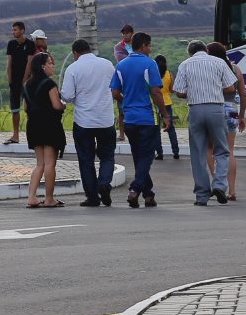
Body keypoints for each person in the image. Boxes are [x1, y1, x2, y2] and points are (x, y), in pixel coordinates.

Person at [173, 40, 239, 205]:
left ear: (191, 53)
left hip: (195, 110)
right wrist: (215, 88)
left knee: (198, 153)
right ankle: (218, 184)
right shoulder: (218, 62)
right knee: (222, 150)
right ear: (206, 51)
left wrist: (194, 90)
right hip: (216, 109)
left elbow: (179, 92)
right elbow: (231, 88)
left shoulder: (185, 64)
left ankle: (202, 195)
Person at [61, 38, 117, 208]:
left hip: (83, 121)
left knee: (86, 160)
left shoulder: (73, 68)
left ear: (75, 53)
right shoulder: (107, 64)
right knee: (107, 156)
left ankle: (92, 197)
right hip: (105, 120)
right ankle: (104, 184)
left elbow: (68, 96)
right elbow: (115, 88)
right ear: (89, 50)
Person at [111, 30, 162, 208]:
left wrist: (128, 102)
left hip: (130, 119)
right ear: (143, 46)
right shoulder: (150, 64)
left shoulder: (121, 65)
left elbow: (115, 93)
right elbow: (156, 91)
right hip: (149, 118)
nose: (150, 49)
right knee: (147, 156)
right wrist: (164, 113)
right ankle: (135, 190)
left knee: (139, 157)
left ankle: (148, 195)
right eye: (149, 46)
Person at [22, 51, 67, 208]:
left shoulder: (26, 85)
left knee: (39, 163)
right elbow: (56, 105)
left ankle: (32, 196)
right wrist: (64, 105)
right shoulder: (49, 84)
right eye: (50, 63)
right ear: (42, 66)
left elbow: (26, 107)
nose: (52, 66)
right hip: (50, 127)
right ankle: (49, 199)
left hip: (33, 126)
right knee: (50, 164)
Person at [208, 42, 246, 201]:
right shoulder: (236, 69)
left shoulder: (211, 68)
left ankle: (217, 184)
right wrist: (242, 116)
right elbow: (243, 95)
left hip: (215, 109)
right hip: (232, 109)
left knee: (209, 148)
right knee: (229, 150)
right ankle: (232, 191)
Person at [2, 21, 31, 145]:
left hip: (26, 81)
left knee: (30, 108)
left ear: (22, 30)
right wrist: (10, 79)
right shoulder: (11, 44)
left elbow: (30, 63)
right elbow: (9, 62)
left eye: (15, 30)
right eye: (12, 30)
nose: (13, 32)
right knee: (15, 109)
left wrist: (25, 80)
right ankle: (15, 135)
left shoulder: (29, 44)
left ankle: (32, 134)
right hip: (14, 81)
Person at [154, 54, 181, 159]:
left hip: (156, 103)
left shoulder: (153, 74)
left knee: (156, 129)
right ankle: (175, 152)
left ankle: (159, 153)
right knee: (170, 128)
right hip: (167, 103)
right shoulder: (169, 74)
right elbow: (172, 90)